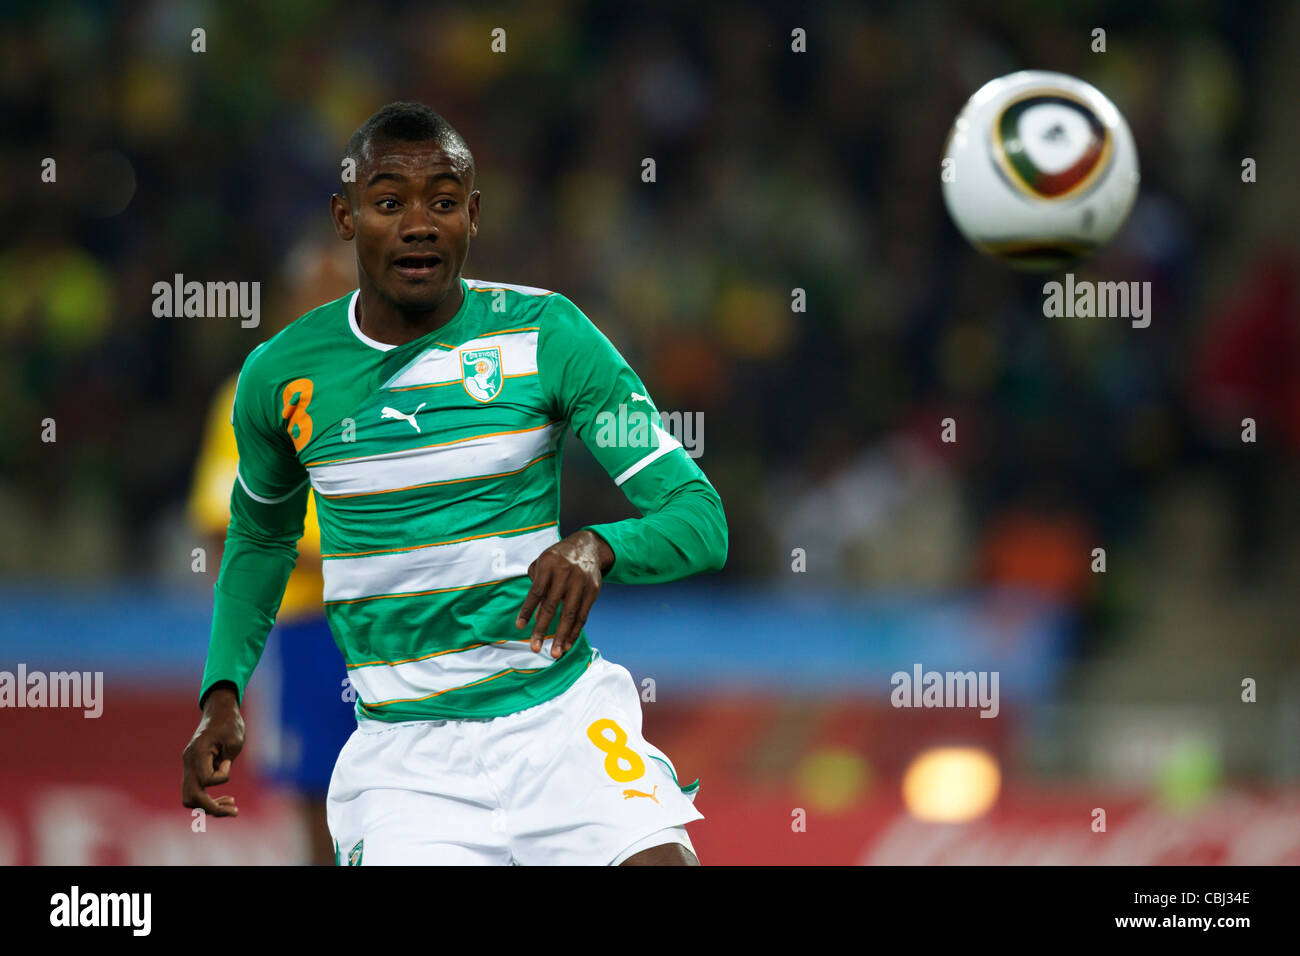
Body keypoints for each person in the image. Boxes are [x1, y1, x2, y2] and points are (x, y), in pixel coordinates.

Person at [181, 101, 728, 865]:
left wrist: (599, 547)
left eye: (442, 201)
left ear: (472, 217)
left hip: (561, 726)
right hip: (406, 765)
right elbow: (260, 537)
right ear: (346, 218)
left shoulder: (549, 336)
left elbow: (699, 517)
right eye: (388, 202)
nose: (418, 223)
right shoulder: (279, 377)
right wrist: (222, 692)